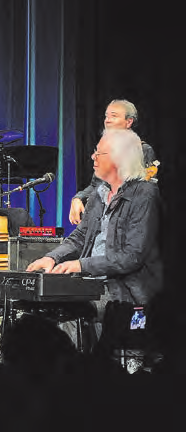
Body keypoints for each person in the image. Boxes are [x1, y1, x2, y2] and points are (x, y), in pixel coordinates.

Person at [28, 128, 162, 337]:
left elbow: (131, 257)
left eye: (100, 153)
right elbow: (80, 237)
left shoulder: (145, 194)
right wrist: (51, 258)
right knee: (37, 308)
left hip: (126, 291)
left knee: (68, 312)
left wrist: (81, 265)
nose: (93, 157)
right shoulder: (99, 194)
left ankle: (78, 357)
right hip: (93, 283)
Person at [69, 99, 157, 225]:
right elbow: (96, 185)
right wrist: (78, 198)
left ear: (129, 122)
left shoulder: (143, 150)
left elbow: (147, 194)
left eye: (113, 116)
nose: (107, 120)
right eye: (106, 116)